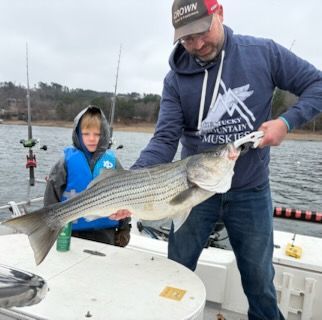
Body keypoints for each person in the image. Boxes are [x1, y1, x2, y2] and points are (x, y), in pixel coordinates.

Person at [110, 0, 322, 319]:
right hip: (191, 191)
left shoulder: (263, 53)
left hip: (250, 190)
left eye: (201, 32)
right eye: (186, 39)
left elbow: (317, 85)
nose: (196, 44)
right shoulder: (176, 80)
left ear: (219, 14)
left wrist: (286, 122)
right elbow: (165, 138)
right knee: (176, 271)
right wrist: (133, 182)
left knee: (260, 282)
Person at [44, 105, 131, 247]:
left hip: (106, 232)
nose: (92, 139)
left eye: (97, 134)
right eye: (86, 134)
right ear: (78, 133)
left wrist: (124, 228)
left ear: (104, 135)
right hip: (72, 233)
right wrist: (49, 227)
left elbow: (126, 194)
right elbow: (52, 194)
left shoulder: (113, 161)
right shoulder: (65, 161)